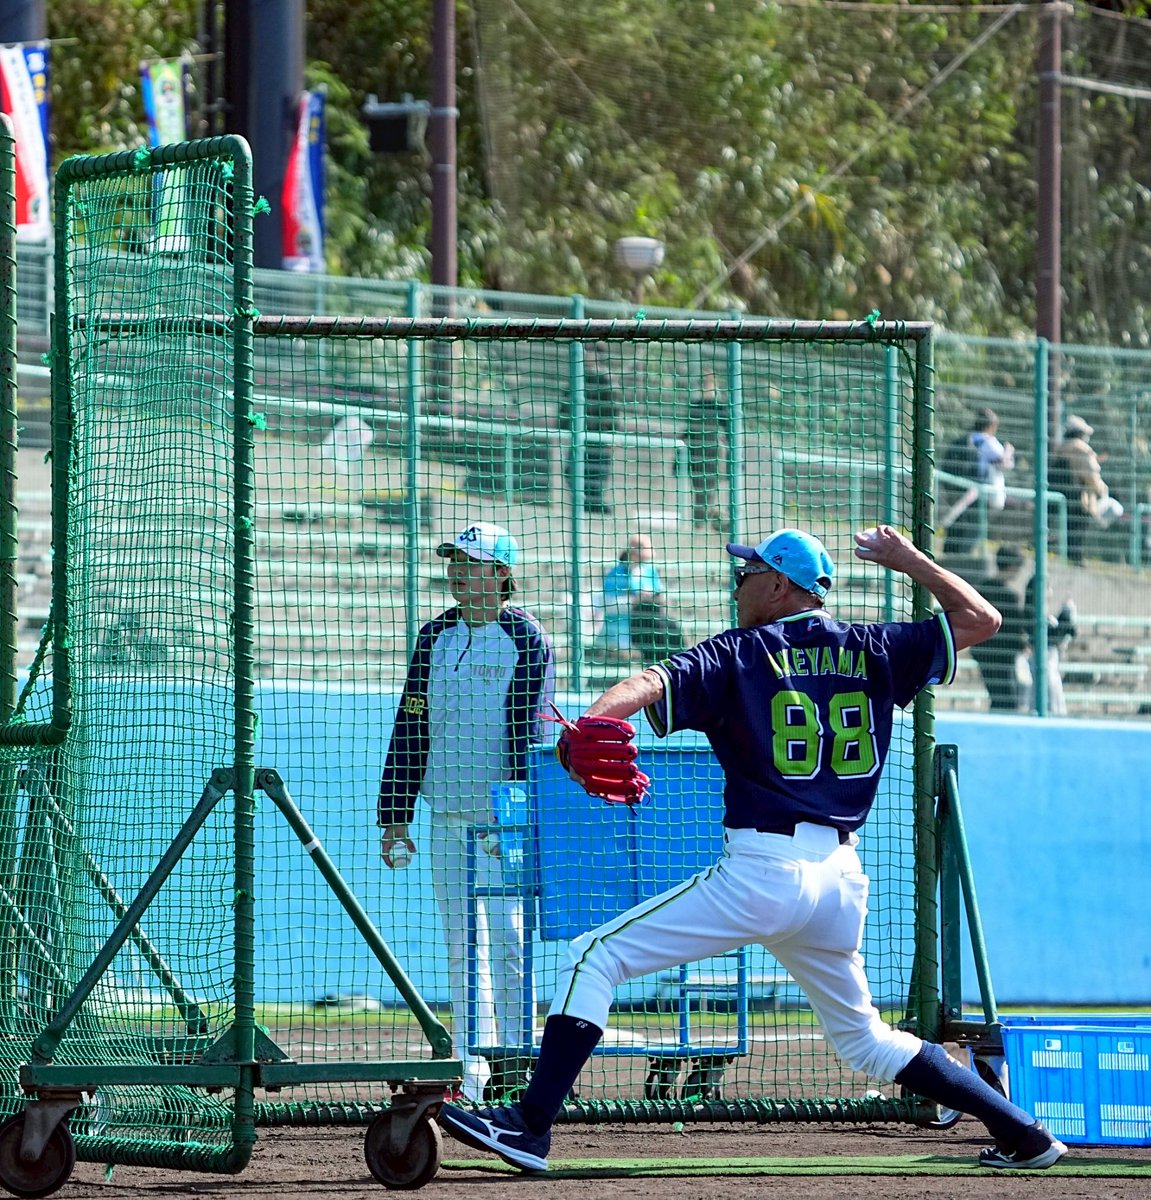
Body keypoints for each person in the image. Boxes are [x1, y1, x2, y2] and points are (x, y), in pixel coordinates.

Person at [439, 525, 1067, 1173]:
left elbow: (649, 683)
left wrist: (588, 728)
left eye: (746, 574)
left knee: (591, 957)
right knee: (864, 1040)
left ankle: (528, 1125)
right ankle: (1025, 1134)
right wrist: (907, 560)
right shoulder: (875, 645)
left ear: (777, 584)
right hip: (838, 879)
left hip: (763, 871)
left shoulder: (741, 652)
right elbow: (982, 618)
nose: (735, 584)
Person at [378, 521, 554, 1103]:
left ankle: (518, 1060)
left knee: (508, 937)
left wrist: (520, 809)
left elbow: (529, 733)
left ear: (503, 574)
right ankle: (469, 1065)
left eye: (473, 562)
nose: (458, 571)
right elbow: (411, 724)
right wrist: (395, 813)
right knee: (460, 939)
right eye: (455, 559)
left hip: (504, 818)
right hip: (446, 816)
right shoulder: (434, 637)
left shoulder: (527, 639)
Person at [940, 408, 1015, 557]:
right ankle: (962, 557)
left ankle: (949, 554)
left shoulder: (965, 439)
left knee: (958, 521)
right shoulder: (988, 441)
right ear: (992, 426)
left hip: (959, 487)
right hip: (978, 491)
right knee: (974, 526)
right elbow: (1005, 463)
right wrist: (1009, 450)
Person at [1051, 414, 1123, 566]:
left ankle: (1065, 553)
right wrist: (1102, 489)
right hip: (1080, 495)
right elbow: (1091, 474)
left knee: (1066, 525)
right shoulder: (1083, 449)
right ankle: (1075, 557)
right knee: (1079, 526)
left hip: (1063, 492)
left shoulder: (1061, 448)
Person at [559, 343, 620, 515]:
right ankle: (586, 505)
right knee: (573, 472)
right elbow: (565, 403)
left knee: (597, 474)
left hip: (598, 437)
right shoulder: (576, 376)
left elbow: (613, 410)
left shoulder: (605, 378)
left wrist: (612, 434)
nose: (586, 354)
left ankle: (595, 507)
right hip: (579, 435)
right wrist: (563, 426)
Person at [969, 545, 1029, 712]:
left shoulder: (981, 590)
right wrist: (1023, 645)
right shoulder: (1010, 597)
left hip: (983, 652)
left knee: (998, 697)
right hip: (1003, 657)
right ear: (1012, 567)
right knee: (1008, 700)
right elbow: (1016, 629)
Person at [591, 534, 663, 660]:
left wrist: (653, 598)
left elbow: (661, 596)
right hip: (617, 637)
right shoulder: (616, 573)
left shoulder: (650, 571)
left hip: (646, 634)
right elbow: (608, 605)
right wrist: (634, 601)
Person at [1021, 575, 1077, 717]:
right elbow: (1050, 637)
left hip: (1052, 670)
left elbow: (1069, 631)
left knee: (1056, 708)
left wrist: (1068, 613)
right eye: (1048, 587)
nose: (1050, 591)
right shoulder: (1031, 615)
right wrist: (1065, 614)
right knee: (1048, 707)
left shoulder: (1047, 616)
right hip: (1042, 671)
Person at [683, 369, 728, 531]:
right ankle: (701, 520)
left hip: (713, 453)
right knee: (698, 488)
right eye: (704, 383)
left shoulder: (719, 406)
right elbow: (688, 430)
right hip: (696, 451)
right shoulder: (695, 405)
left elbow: (728, 430)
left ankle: (708, 518)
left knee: (709, 488)